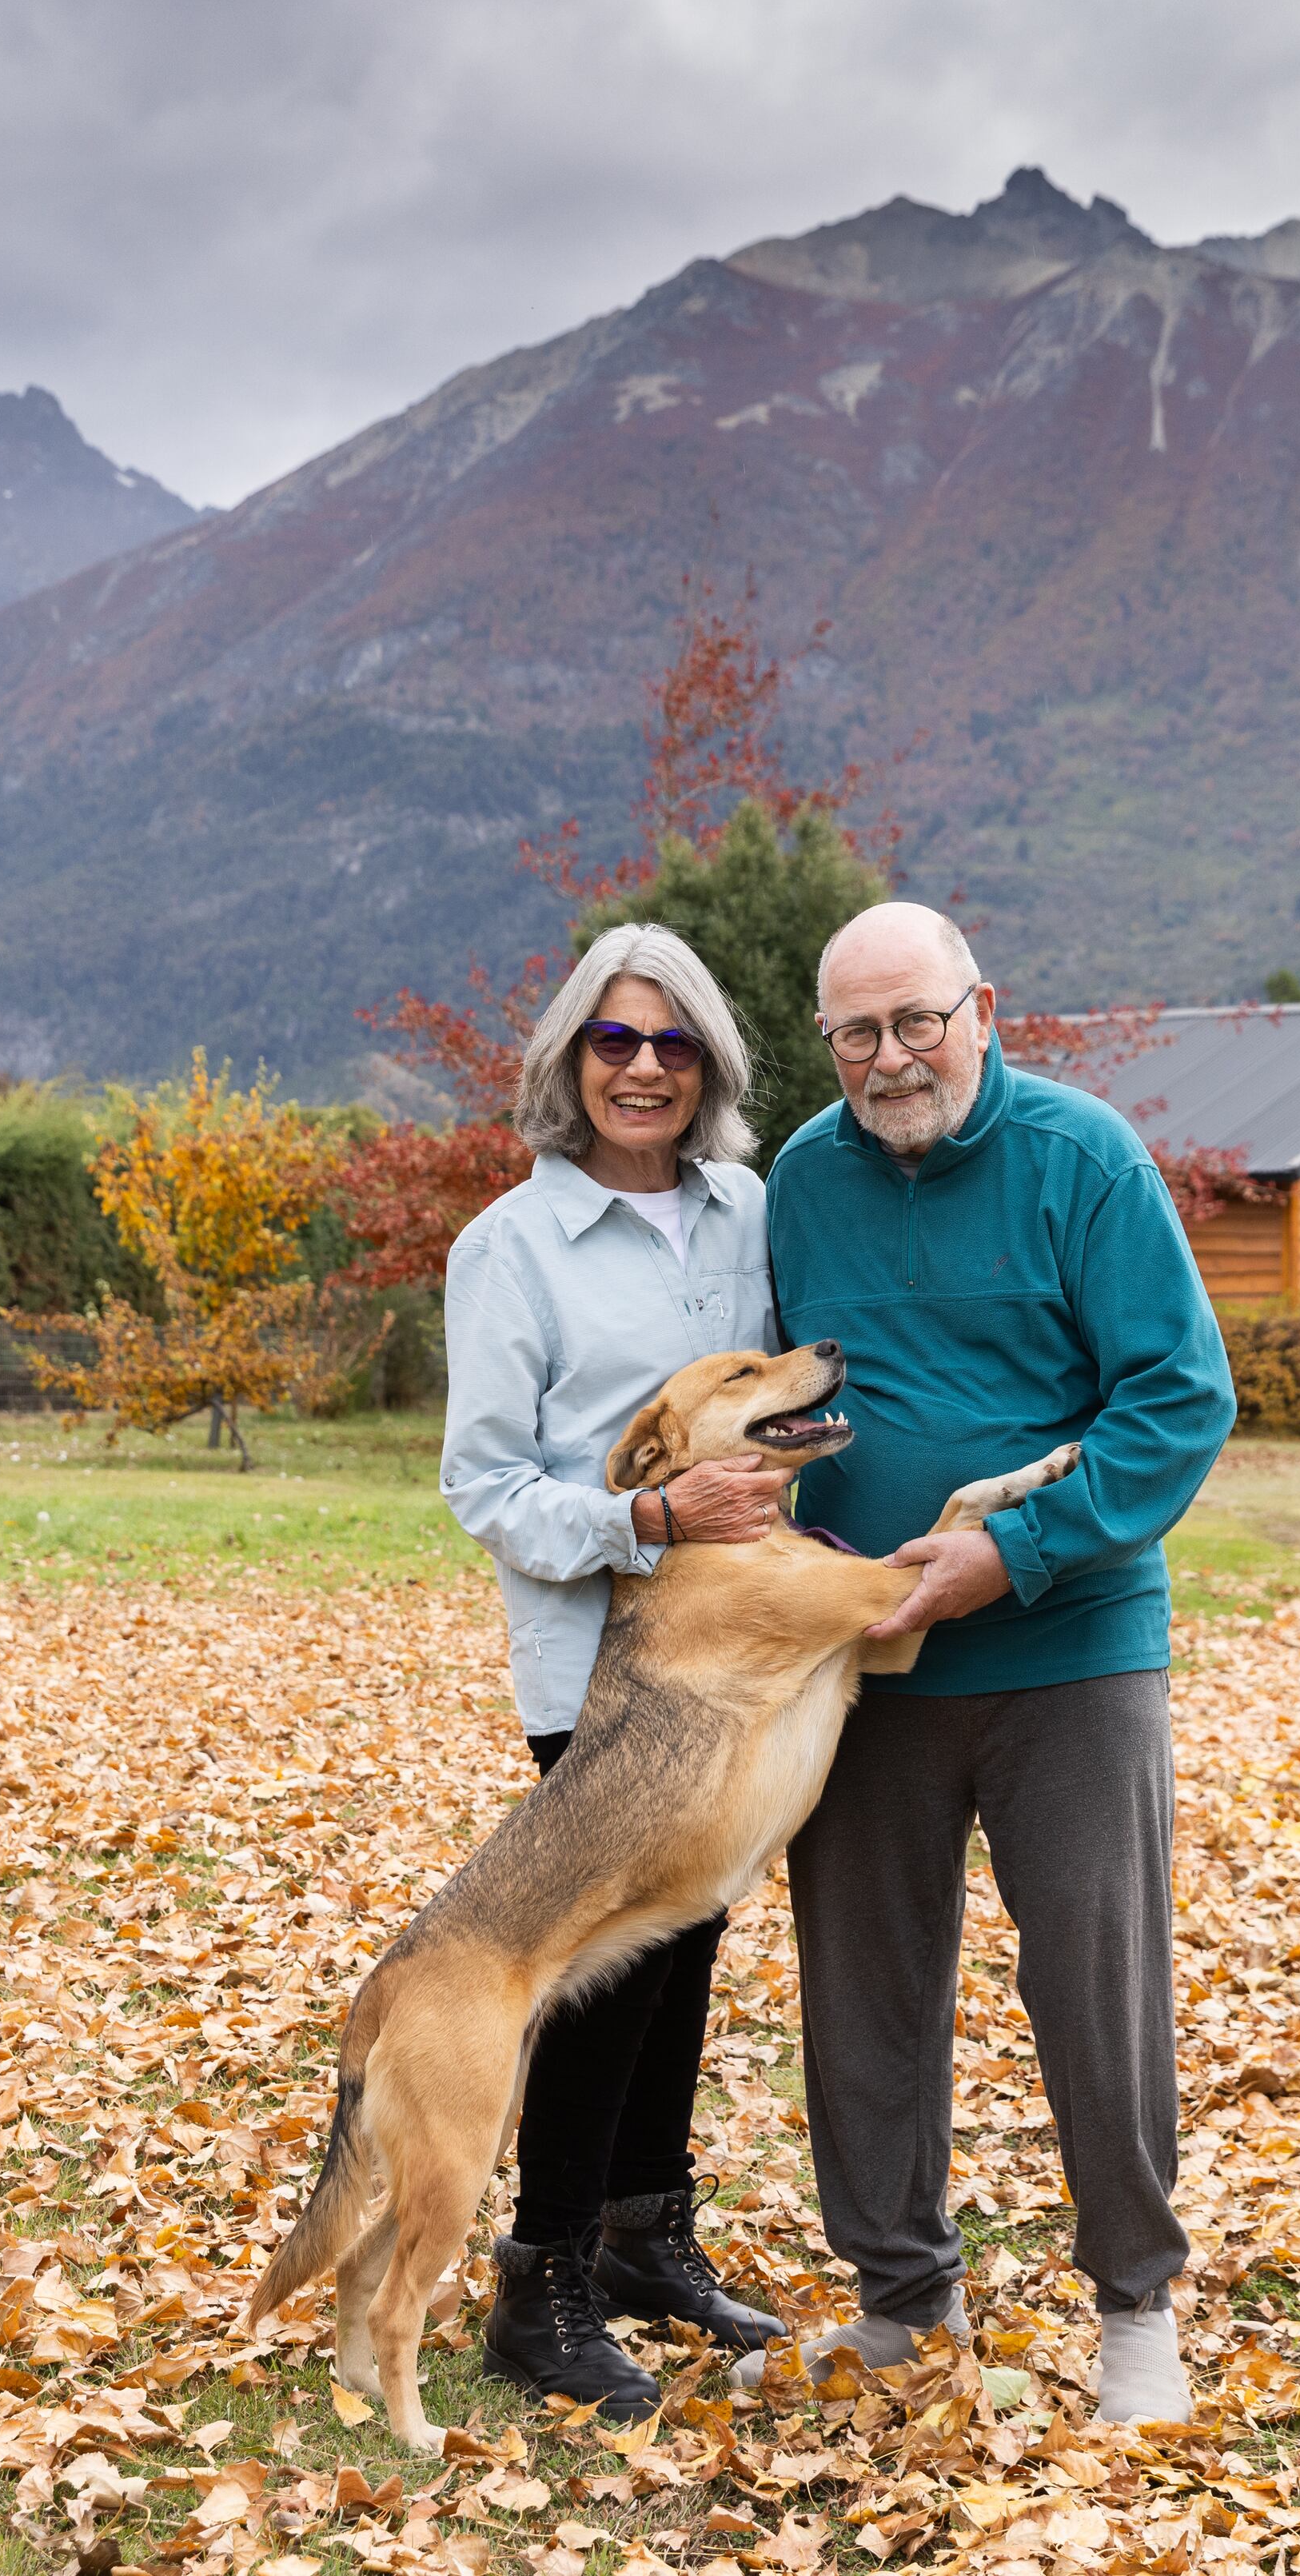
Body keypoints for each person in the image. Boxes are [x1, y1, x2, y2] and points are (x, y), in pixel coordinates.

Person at [736, 900, 1236, 2426]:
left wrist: (1013, 1554)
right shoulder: (801, 1180)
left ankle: (1136, 2311)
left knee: (1095, 1982)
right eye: (857, 1033)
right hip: (869, 1654)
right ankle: (902, 2301)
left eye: (918, 1022)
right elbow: (780, 1400)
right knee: (863, 1990)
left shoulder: (1085, 1160)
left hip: (1069, 1648)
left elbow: (1180, 1397)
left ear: (983, 1010)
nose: (891, 1059)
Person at [437, 922, 800, 2420]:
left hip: (737, 1659)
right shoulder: (509, 1247)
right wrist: (648, 1518)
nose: (643, 1068)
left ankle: (646, 2237)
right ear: (569, 1058)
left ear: (708, 1061)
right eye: (613, 1040)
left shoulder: (750, 1213)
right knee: (603, 1971)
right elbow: (484, 1485)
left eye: (672, 1043)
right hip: (601, 1671)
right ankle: (542, 2288)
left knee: (686, 1945)